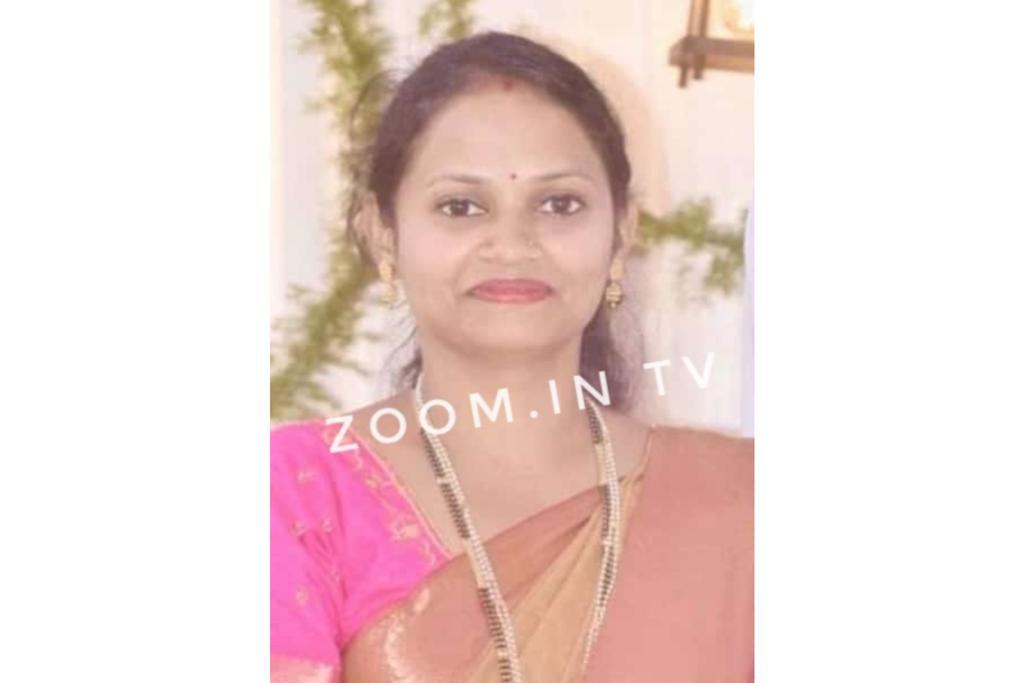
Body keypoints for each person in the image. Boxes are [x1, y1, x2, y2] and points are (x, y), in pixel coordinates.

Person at [271, 31, 752, 682]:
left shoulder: (739, 502)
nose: (513, 243)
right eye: (461, 206)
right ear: (382, 233)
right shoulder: (297, 495)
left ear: (621, 233)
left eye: (559, 204)